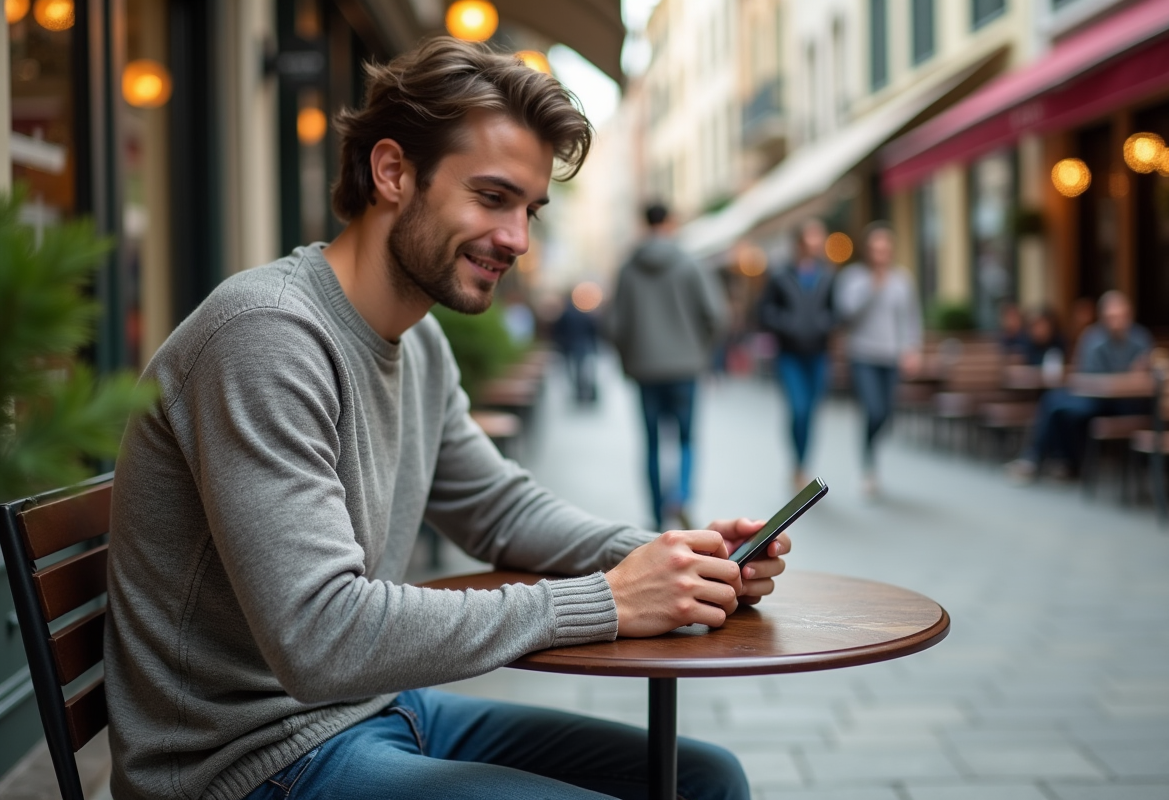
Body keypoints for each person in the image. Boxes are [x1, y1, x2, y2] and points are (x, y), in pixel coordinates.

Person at [104, 39, 786, 800]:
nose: (517, 240)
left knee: (704, 778)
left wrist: (674, 562)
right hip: (246, 761)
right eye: (492, 197)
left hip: (368, 713)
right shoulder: (264, 335)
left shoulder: (416, 340)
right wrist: (609, 601)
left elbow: (497, 509)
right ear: (392, 172)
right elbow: (321, 635)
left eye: (529, 210)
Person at [608, 202, 727, 529]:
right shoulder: (690, 263)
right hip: (686, 368)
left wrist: (630, 358)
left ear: (643, 222)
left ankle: (658, 514)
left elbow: (614, 324)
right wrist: (699, 353)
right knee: (687, 438)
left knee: (651, 444)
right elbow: (715, 316)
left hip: (645, 370)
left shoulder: (627, 268)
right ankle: (682, 496)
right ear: (671, 222)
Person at [1007, 290, 1152, 483]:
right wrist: (1127, 376)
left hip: (1128, 404)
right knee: (1054, 403)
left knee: (1058, 405)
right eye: (1111, 317)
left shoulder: (1141, 338)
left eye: (1121, 316)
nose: (1116, 321)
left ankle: (1044, 460)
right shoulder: (1093, 338)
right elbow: (1091, 378)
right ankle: (1048, 459)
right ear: (1102, 318)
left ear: (1129, 315)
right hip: (1098, 400)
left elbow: (1147, 370)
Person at [834, 222, 923, 498]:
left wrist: (912, 349)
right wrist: (872, 287)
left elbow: (910, 318)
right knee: (873, 409)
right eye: (876, 249)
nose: (880, 254)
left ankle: (870, 452)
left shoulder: (902, 280)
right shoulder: (854, 278)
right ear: (868, 251)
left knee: (886, 413)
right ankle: (868, 466)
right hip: (863, 355)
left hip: (891, 356)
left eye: (885, 248)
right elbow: (847, 313)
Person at [757, 219, 836, 490]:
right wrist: (787, 324)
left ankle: (803, 465)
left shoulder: (827, 275)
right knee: (798, 409)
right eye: (810, 240)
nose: (815, 246)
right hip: (790, 354)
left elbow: (835, 310)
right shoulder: (780, 275)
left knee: (811, 412)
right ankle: (797, 462)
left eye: (819, 240)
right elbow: (763, 312)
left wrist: (825, 324)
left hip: (818, 354)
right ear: (800, 243)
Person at [552, 287, 600, 404]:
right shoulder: (583, 313)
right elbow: (592, 330)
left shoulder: (565, 314)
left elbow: (558, 331)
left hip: (570, 346)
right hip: (583, 345)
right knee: (583, 370)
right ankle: (583, 393)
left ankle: (579, 393)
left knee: (574, 370)